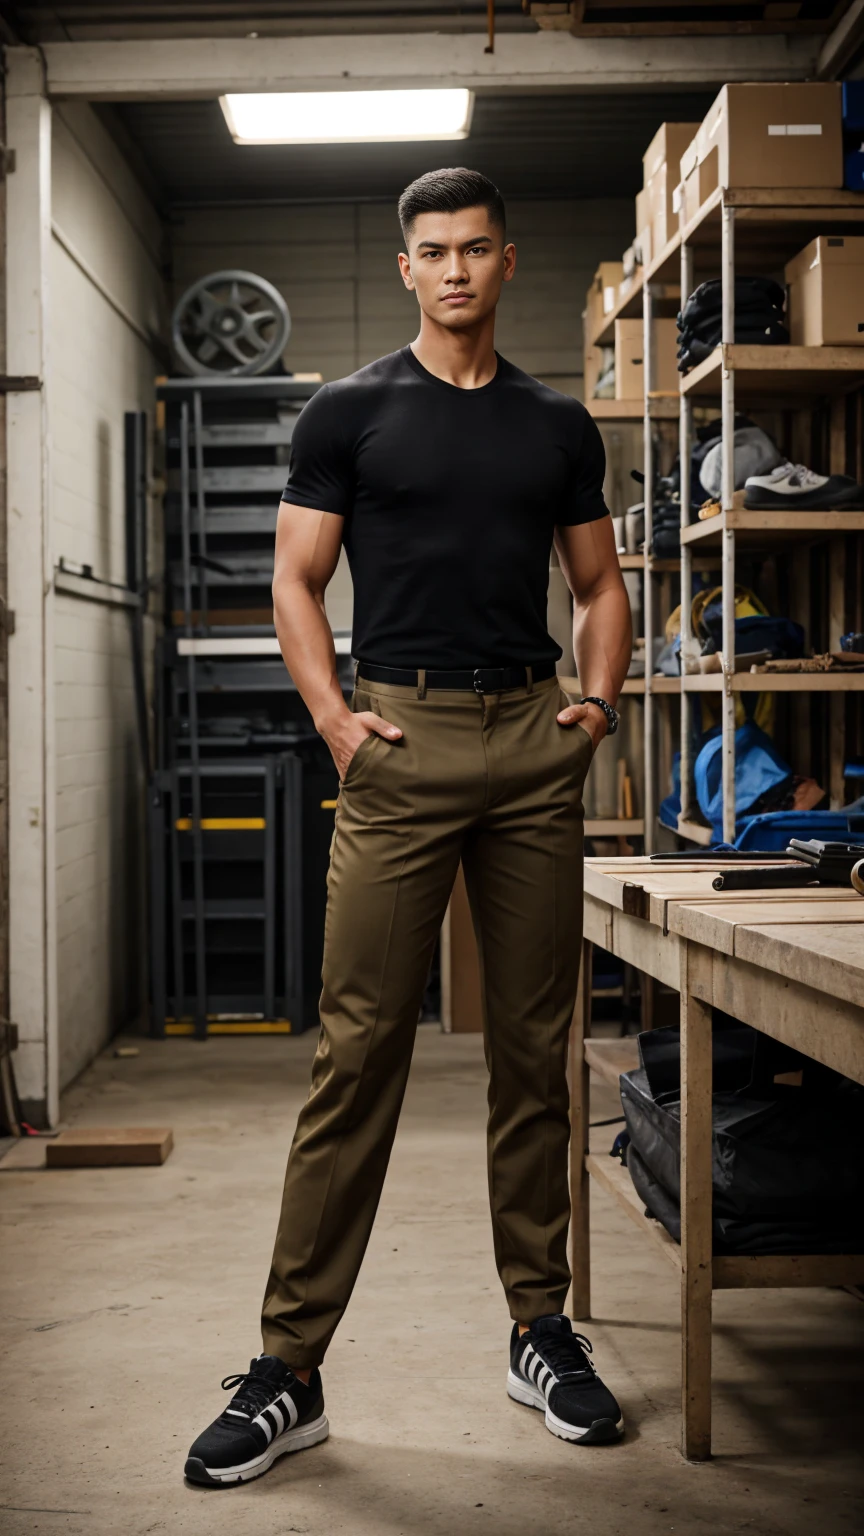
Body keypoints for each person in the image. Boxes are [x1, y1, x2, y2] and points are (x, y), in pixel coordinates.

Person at [185, 167, 632, 1488]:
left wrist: (595, 704)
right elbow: (297, 578)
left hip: (532, 745)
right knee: (358, 1050)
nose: (453, 271)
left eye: (475, 249)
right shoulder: (351, 412)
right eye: (431, 251)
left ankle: (538, 1329)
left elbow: (599, 586)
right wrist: (332, 719)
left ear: (507, 261)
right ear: (406, 268)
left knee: (535, 1049)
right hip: (398, 740)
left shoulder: (557, 426)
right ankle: (289, 1367)